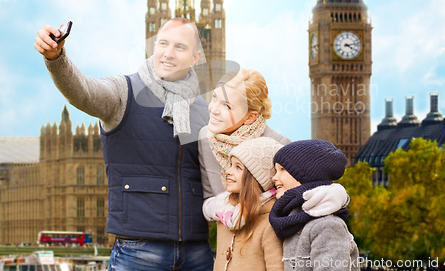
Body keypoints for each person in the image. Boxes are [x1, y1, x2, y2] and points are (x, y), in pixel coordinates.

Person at [34, 18, 214, 271]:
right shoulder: (124, 91)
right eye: (163, 43)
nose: (168, 53)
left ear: (196, 57)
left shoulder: (204, 110)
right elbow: (83, 91)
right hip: (138, 250)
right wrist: (56, 58)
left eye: (180, 47)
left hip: (197, 251)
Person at [198, 69, 348, 215]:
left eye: (227, 106)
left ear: (250, 117)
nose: (213, 109)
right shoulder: (205, 137)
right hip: (228, 235)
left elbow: (303, 195)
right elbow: (208, 198)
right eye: (214, 98)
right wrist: (228, 211)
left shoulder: (280, 145)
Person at [269, 139, 360, 271]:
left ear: (307, 175)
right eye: (276, 170)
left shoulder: (326, 225)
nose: (274, 177)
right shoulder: (292, 221)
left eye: (282, 169)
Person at [203, 137, 284, 271]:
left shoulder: (271, 222)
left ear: (256, 178)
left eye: (238, 167)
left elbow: (276, 267)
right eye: (231, 165)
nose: (228, 172)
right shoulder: (225, 213)